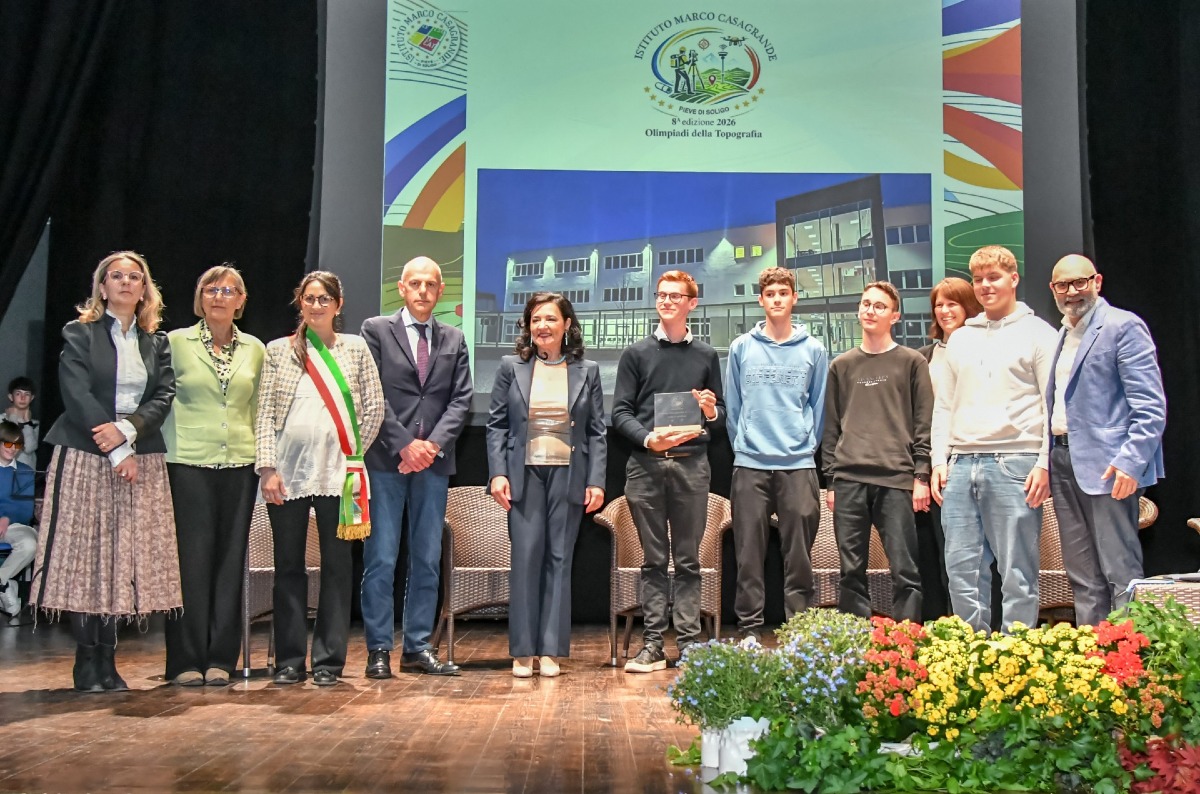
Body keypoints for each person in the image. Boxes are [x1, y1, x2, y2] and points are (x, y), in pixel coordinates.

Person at [31, 250, 181, 692]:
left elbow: (163, 395)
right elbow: (75, 392)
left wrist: (129, 432)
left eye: (135, 277)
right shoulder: (80, 333)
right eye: (116, 276)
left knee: (123, 558)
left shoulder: (157, 341)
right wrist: (115, 448)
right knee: (87, 559)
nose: (126, 283)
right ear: (102, 287)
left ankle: (109, 660)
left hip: (141, 454)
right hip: (86, 455)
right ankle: (86, 660)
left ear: (144, 289)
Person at [255, 271, 383, 686]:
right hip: (288, 474)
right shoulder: (279, 351)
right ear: (300, 303)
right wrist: (267, 468)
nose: (316, 305)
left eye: (324, 298)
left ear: (338, 304)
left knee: (337, 567)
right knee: (288, 566)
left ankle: (329, 661)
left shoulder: (357, 349)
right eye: (309, 298)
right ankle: (289, 660)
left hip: (340, 475)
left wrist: (354, 455)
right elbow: (264, 414)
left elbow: (375, 408)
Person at [931, 245, 1058, 632]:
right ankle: (971, 660)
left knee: (1017, 572)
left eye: (994, 277)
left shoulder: (1039, 333)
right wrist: (939, 460)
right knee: (962, 572)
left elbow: (1052, 408)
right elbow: (945, 406)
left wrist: (1043, 462)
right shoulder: (961, 339)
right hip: (959, 464)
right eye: (979, 279)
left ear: (1014, 279)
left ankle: (1015, 659)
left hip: (1015, 462)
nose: (985, 286)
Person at [360, 256, 471, 678]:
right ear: (402, 289)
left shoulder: (454, 338)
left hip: (435, 464)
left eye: (431, 284)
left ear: (441, 292)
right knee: (382, 558)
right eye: (415, 283)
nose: (423, 290)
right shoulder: (375, 330)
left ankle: (418, 647)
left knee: (426, 558)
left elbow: (461, 400)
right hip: (386, 460)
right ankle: (378, 650)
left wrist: (430, 447)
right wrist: (406, 445)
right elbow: (369, 393)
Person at [487, 293, 606, 677]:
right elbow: (497, 425)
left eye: (551, 319)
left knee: (559, 559)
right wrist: (498, 472)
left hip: (568, 473)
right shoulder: (511, 367)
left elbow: (596, 432)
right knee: (525, 558)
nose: (542, 326)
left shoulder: (587, 370)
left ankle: (551, 650)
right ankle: (523, 651)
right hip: (525, 472)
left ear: (567, 324)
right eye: (536, 319)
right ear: (528, 326)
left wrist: (597, 481)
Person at [612, 270, 724, 673]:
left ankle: (690, 646)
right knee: (654, 561)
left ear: (692, 303)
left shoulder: (707, 355)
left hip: (693, 466)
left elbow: (720, 415)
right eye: (662, 295)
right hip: (645, 467)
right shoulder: (636, 354)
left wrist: (710, 410)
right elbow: (620, 412)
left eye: (676, 296)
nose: (668, 301)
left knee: (690, 560)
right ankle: (654, 645)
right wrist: (647, 440)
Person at [1045, 254, 1166, 625]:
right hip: (1064, 462)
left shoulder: (1122, 326)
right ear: (1053, 290)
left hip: (1110, 467)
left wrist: (1131, 461)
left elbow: (1150, 406)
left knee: (1120, 570)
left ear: (1097, 281)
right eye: (1063, 285)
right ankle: (1093, 661)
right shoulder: (1064, 332)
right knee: (1082, 575)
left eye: (1079, 282)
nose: (1071, 292)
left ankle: (1128, 660)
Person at [161, 265, 266, 686]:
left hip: (240, 465)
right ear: (200, 298)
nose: (219, 296)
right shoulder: (175, 343)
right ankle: (186, 659)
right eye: (211, 289)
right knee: (190, 563)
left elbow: (259, 410)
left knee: (228, 563)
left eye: (229, 290)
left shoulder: (255, 349)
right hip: (187, 463)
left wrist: (264, 463)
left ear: (241, 301)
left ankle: (222, 657)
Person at [821, 281, 933, 623]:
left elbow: (923, 423)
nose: (870, 310)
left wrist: (921, 475)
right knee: (850, 570)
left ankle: (905, 643)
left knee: (905, 570)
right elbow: (831, 427)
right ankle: (853, 639)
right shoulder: (841, 365)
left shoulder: (912, 362)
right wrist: (831, 482)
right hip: (849, 479)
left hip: (897, 480)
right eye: (865, 304)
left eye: (879, 306)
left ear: (895, 315)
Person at [725, 267, 827, 639]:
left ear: (794, 298)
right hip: (750, 465)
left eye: (785, 293)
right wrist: (745, 444)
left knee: (798, 558)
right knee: (748, 558)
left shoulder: (814, 350)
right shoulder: (741, 348)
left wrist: (804, 446)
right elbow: (733, 408)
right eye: (771, 294)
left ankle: (798, 632)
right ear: (761, 300)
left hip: (798, 466)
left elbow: (819, 407)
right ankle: (749, 631)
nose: (778, 299)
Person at [916, 278, 984, 621]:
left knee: (983, 559)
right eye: (939, 305)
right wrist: (923, 471)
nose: (944, 311)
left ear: (968, 306)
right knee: (946, 556)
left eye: (952, 303)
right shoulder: (924, 357)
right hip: (936, 467)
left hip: (980, 459)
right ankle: (949, 631)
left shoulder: (983, 348)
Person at [0, 420, 37, 616]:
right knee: (13, 611)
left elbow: (26, 510)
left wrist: (7, 517)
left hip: (13, 527)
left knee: (31, 544)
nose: (12, 449)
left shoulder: (25, 472)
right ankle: (6, 586)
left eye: (17, 445)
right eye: (7, 444)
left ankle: (1, 581)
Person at [4, 377, 39, 469]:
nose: (22, 398)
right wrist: (13, 418)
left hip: (25, 474)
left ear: (32, 398)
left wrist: (27, 422)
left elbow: (29, 448)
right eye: (18, 393)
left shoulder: (34, 424)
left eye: (27, 394)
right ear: (11, 397)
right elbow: (11, 443)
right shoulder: (1, 419)